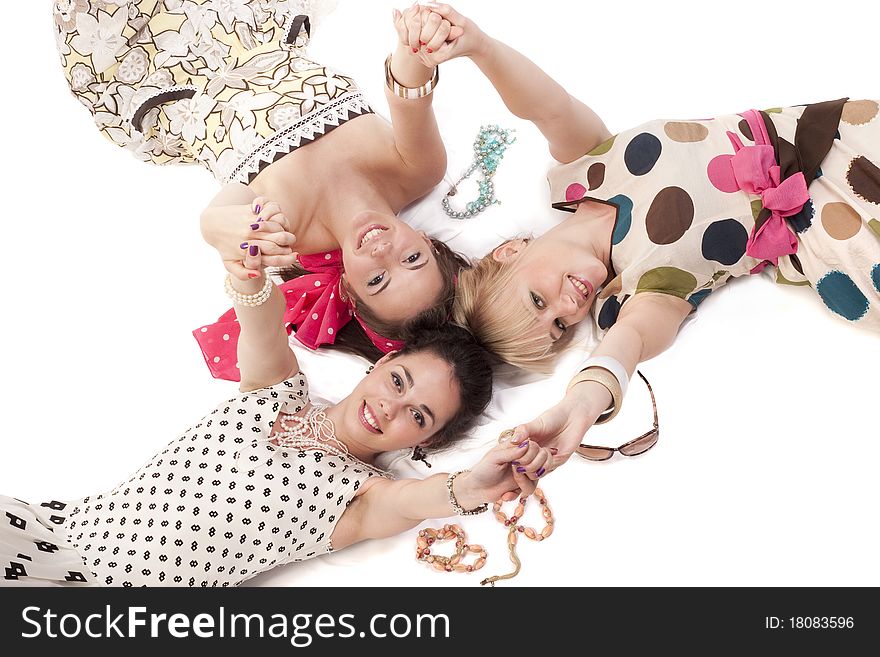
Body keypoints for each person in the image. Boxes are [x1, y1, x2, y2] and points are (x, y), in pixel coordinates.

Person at [414, 4, 880, 469]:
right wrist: (581, 403)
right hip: (829, 227)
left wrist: (480, 47)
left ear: (509, 251)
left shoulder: (584, 166)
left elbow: (544, 105)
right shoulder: (641, 290)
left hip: (832, 134)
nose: (568, 308)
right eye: (559, 326)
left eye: (538, 301)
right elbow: (630, 342)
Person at [0, 224, 549, 587]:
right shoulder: (281, 389)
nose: (391, 407)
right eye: (400, 381)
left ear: (424, 441)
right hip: (52, 532)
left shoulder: (361, 498)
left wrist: (470, 488)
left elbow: (421, 499)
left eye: (419, 416)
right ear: (381, 365)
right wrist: (250, 272)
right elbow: (261, 322)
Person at [53, 0, 468, 364]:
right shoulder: (418, 169)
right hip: (253, 20)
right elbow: (407, 88)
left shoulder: (287, 234)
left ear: (350, 290)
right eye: (411, 259)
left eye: (377, 280)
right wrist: (419, 40)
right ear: (428, 243)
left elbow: (218, 218)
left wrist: (221, 232)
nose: (383, 252)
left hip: (163, 61)